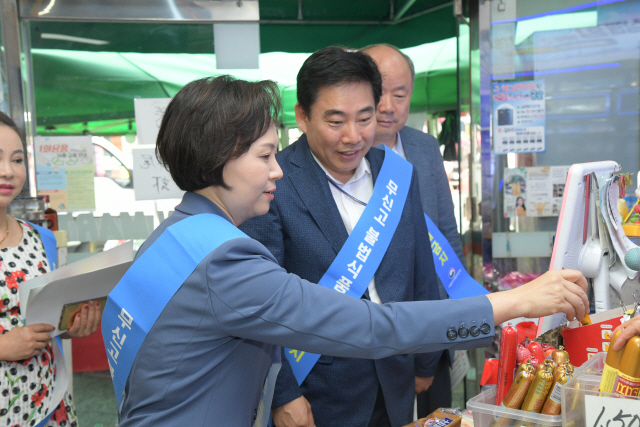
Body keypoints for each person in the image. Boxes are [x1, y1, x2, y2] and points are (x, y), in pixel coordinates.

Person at [104, 74, 589, 427]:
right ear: (218, 159)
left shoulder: (174, 234)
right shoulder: (227, 263)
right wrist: (517, 301)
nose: (278, 170)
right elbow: (372, 327)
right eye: (264, 155)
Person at [238, 47, 586, 427]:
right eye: (335, 121)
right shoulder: (275, 184)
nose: (353, 136)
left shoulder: (397, 174)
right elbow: (259, 306)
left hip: (396, 376)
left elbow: (421, 268)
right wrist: (283, 392)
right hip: (318, 387)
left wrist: (426, 361)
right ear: (302, 116)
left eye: (365, 117)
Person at [361, 43, 462, 417]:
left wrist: (452, 315)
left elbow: (448, 232)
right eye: (379, 91)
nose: (388, 105)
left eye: (400, 94)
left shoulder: (424, 147)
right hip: (374, 335)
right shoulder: (346, 152)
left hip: (430, 327)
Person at [0, 112, 101, 427]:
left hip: (49, 404)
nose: (8, 171)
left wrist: (73, 324)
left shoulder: (41, 238)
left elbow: (48, 321)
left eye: (17, 160)